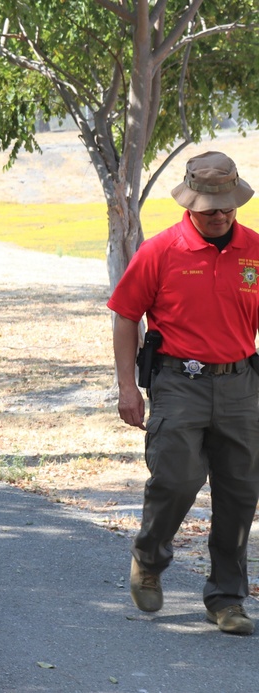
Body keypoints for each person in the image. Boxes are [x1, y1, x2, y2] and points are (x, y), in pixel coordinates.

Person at [109, 151, 259, 636]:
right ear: (189, 203)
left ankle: (227, 598)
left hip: (240, 384)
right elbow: (126, 315)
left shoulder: (255, 250)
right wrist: (127, 388)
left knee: (239, 494)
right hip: (178, 382)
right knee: (176, 478)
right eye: (208, 207)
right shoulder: (160, 250)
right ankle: (149, 558)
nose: (218, 215)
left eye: (226, 207)